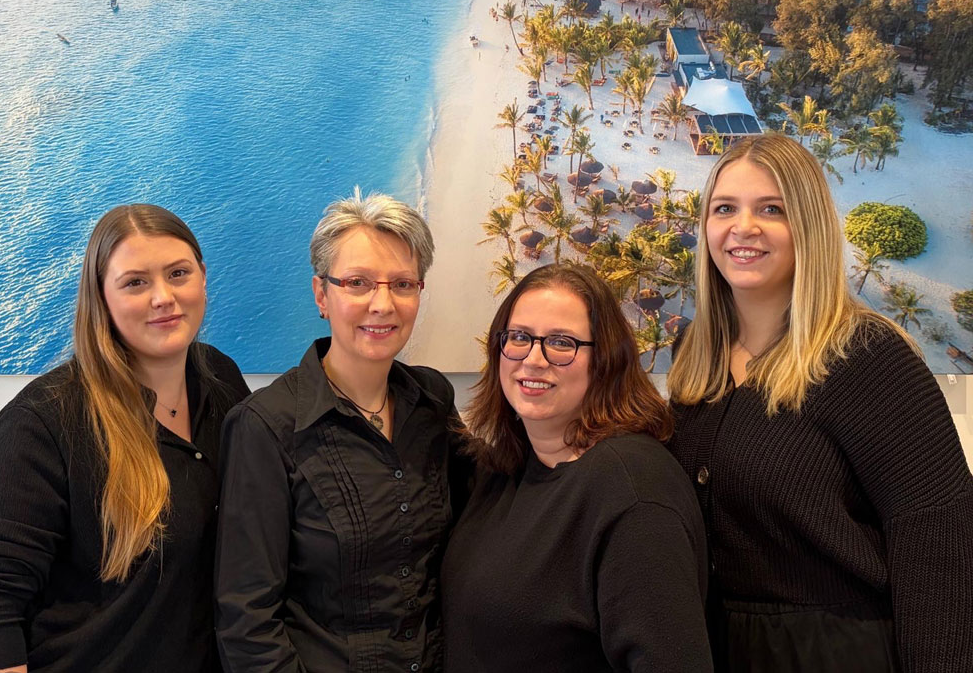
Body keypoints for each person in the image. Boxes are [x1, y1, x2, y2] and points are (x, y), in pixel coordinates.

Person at [667, 134, 973, 672]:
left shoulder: (869, 359)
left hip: (834, 651)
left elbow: (939, 542)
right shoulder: (694, 357)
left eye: (771, 209)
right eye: (724, 208)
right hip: (714, 646)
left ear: (807, 225)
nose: (743, 227)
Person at [0, 204, 250, 673]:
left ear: (203, 277)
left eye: (178, 273)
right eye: (136, 282)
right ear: (101, 296)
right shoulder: (42, 423)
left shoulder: (221, 380)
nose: (164, 297)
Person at [215, 189, 469, 672]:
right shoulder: (265, 428)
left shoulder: (433, 401)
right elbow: (247, 623)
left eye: (403, 284)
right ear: (321, 295)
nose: (382, 304)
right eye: (357, 283)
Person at [442, 263, 712, 673]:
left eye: (561, 343)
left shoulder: (633, 489)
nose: (533, 359)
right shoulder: (505, 469)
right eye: (518, 337)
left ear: (605, 359)